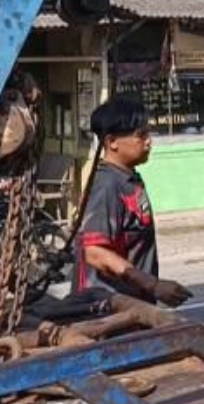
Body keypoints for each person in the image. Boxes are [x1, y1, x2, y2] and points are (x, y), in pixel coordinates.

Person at [74, 96, 192, 307]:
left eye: (149, 133)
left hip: (132, 308)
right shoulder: (107, 186)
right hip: (106, 313)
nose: (149, 141)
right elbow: (94, 253)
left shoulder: (128, 179)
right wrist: (153, 285)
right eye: (141, 135)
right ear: (111, 142)